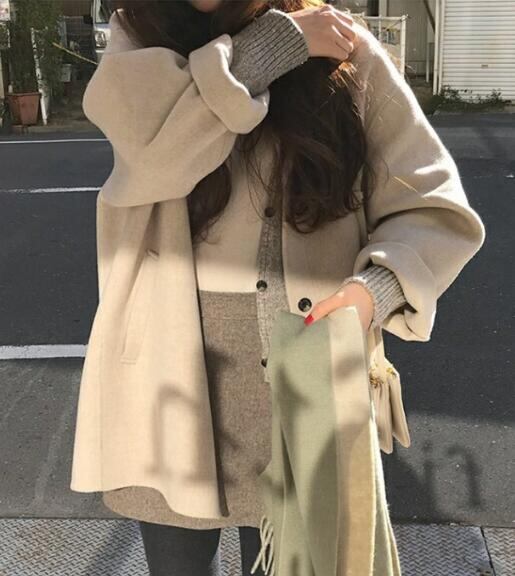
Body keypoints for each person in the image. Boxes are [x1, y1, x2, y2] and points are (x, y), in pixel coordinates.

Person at [69, 1, 486, 575]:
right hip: (163, 381)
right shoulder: (139, 36)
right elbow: (151, 151)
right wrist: (275, 46)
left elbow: (432, 204)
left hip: (307, 377)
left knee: (296, 564)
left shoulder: (345, 52)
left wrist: (374, 292)